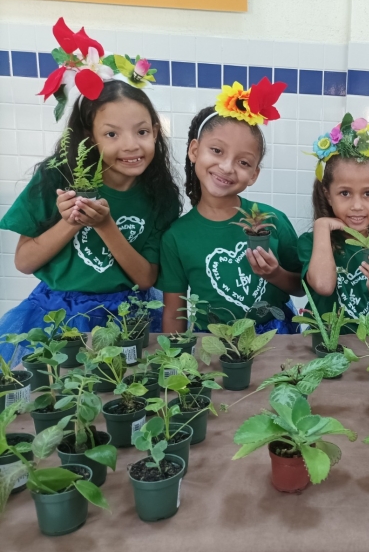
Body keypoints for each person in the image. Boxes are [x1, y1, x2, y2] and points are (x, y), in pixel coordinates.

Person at [0, 18, 180, 361]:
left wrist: (104, 226)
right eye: (112, 134)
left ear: (155, 132)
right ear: (89, 137)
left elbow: (146, 278)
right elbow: (24, 261)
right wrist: (71, 221)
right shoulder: (56, 179)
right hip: (57, 313)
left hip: (128, 316)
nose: (131, 145)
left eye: (142, 132)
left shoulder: (160, 195)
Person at [158, 78, 302, 334]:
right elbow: (173, 312)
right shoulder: (176, 237)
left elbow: (301, 286)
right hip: (211, 344)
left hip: (276, 340)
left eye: (243, 162)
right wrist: (174, 365)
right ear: (194, 150)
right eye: (217, 151)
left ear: (254, 174)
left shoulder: (273, 221)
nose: (226, 167)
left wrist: (275, 274)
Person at [298, 114, 369, 329]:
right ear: (328, 195)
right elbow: (323, 286)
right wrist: (321, 227)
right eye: (344, 193)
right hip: (323, 351)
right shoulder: (311, 243)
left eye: (368, 194)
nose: (357, 205)